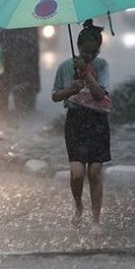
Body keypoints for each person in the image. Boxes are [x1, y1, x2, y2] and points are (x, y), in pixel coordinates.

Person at [52, 19, 111, 234]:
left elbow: (100, 94)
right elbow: (55, 96)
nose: (90, 57)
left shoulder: (102, 66)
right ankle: (78, 205)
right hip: (75, 122)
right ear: (78, 48)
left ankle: (96, 221)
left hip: (97, 122)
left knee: (95, 172)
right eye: (86, 53)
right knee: (77, 173)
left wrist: (86, 72)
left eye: (94, 53)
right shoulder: (65, 67)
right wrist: (70, 90)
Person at [0, 0, 41, 116]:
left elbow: (33, 52)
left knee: (24, 111)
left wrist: (34, 83)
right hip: (3, 71)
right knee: (0, 110)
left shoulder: (28, 15)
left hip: (23, 73)